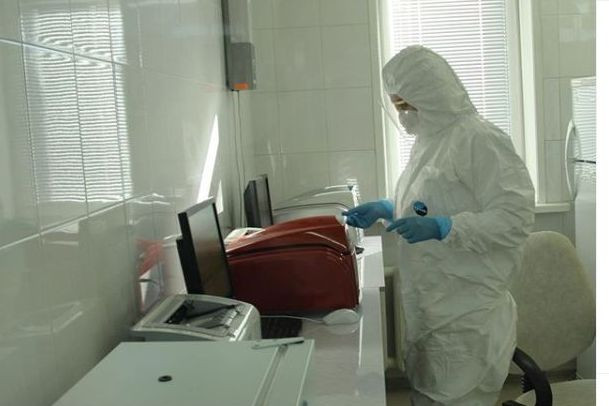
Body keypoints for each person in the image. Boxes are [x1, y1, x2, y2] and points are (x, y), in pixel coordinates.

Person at [343, 46, 535, 405]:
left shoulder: (479, 139)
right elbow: (430, 202)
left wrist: (448, 227)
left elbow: (515, 217)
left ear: (431, 94)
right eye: (396, 106)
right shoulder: (429, 142)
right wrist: (389, 208)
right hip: (433, 309)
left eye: (406, 105)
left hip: (468, 314)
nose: (402, 115)